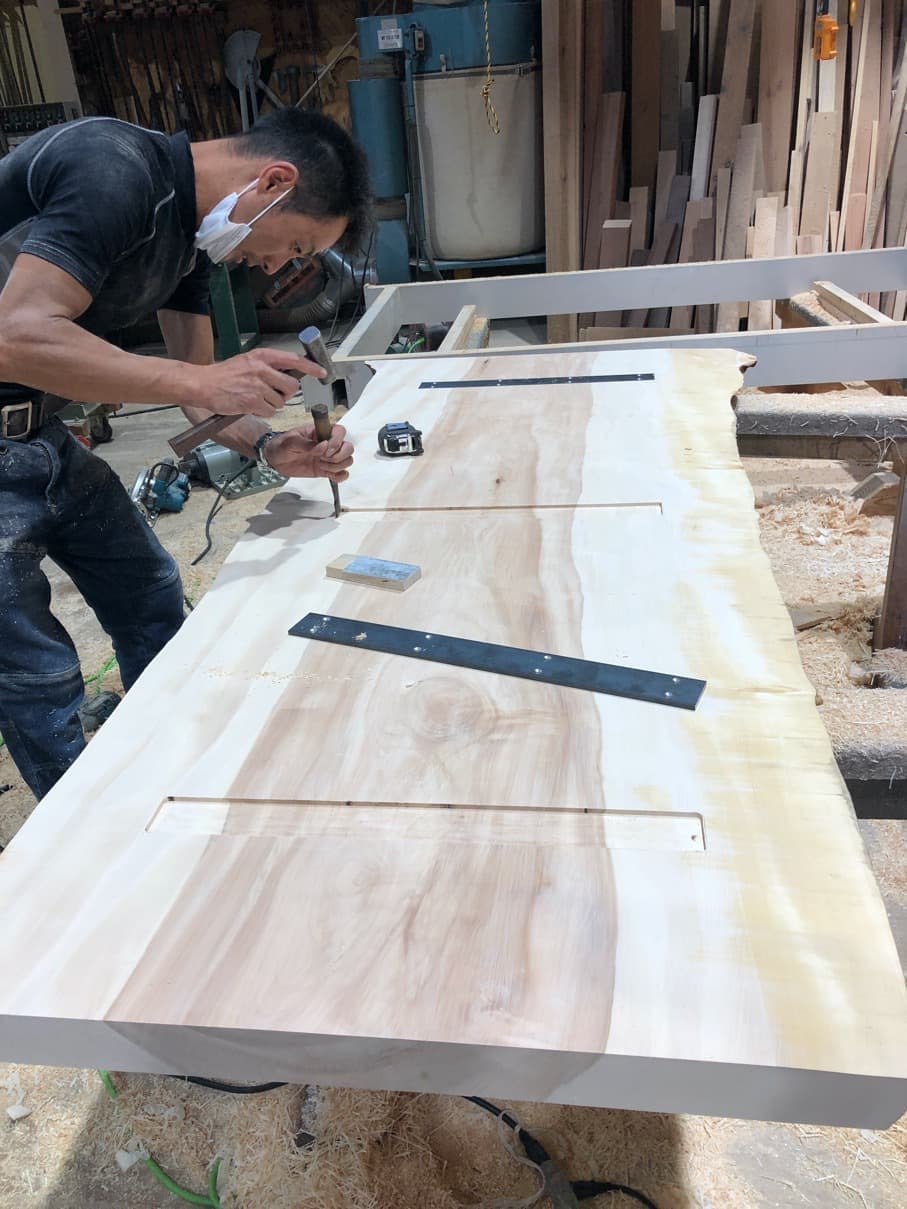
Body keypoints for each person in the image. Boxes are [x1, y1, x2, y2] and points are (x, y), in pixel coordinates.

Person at [0, 109, 370, 802]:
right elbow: (15, 337)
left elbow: (196, 395)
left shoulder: (195, 244)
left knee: (148, 592)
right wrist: (200, 381)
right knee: (36, 674)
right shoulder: (111, 168)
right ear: (274, 182)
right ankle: (85, 831)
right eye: (293, 244)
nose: (278, 266)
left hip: (38, 431)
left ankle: (165, 770)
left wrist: (271, 444)